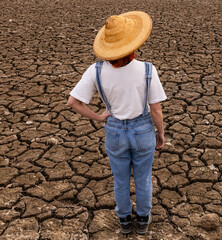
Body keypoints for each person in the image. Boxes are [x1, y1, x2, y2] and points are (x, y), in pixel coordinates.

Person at [67, 11, 166, 235]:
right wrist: (160, 134)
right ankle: (142, 220)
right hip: (143, 132)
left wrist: (99, 117)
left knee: (120, 179)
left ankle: (123, 220)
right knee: (143, 178)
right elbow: (156, 109)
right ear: (133, 44)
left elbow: (73, 102)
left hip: (115, 133)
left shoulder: (96, 71)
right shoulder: (148, 70)